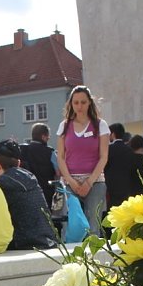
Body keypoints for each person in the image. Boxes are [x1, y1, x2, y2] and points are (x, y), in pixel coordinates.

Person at [56, 85, 110, 236]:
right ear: (71, 104)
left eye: (83, 102)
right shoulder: (64, 126)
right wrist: (71, 181)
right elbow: (60, 157)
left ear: (90, 103)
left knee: (93, 227)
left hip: (95, 181)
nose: (79, 106)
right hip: (70, 182)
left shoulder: (100, 125)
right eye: (76, 103)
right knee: (72, 227)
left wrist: (89, 182)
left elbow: (104, 157)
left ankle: (94, 251)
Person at [0, 139, 57, 250]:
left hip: (24, 244)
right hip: (48, 240)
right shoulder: (30, 177)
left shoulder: (3, 182)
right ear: (18, 163)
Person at [19, 122, 59, 207]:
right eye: (48, 136)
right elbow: (58, 172)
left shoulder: (22, 150)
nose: (49, 138)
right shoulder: (50, 152)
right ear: (43, 137)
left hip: (27, 193)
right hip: (46, 193)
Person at [104, 122, 142, 210]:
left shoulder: (109, 149)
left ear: (113, 134)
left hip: (111, 186)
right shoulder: (129, 150)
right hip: (127, 186)